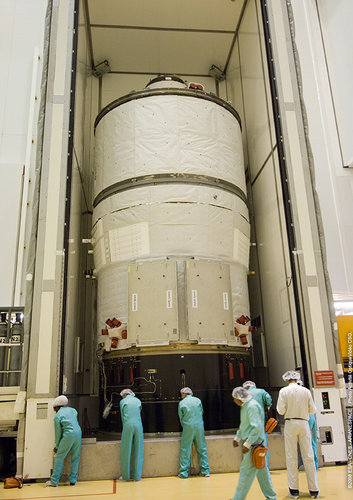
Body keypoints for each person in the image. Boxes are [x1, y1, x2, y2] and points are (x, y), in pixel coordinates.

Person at [276, 371, 319, 499]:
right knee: (309, 456)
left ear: (286, 380)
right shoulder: (305, 391)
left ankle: (294, 491)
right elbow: (313, 410)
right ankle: (314, 491)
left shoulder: (283, 391)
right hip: (304, 423)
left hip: (290, 423)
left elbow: (280, 410)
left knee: (291, 457)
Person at [231, 387, 276, 500]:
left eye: (234, 398)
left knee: (246, 473)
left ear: (240, 397)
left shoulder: (252, 406)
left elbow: (256, 428)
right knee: (263, 473)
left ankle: (238, 498)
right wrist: (237, 437)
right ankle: (271, 497)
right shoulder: (245, 406)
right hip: (253, 444)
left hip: (253, 445)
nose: (234, 401)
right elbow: (245, 425)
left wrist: (247, 443)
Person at [45, 395, 82, 487]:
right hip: (78, 433)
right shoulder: (73, 410)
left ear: (56, 407)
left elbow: (58, 433)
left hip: (68, 435)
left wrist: (57, 446)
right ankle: (73, 480)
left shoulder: (57, 416)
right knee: (75, 457)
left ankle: (54, 481)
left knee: (59, 457)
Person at [177, 387, 210, 478]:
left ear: (184, 394)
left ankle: (183, 473)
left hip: (188, 427)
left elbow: (181, 417)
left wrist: (185, 425)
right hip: (199, 426)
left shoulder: (182, 403)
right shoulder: (198, 401)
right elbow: (201, 412)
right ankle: (205, 471)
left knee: (185, 449)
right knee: (202, 448)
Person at [243, 380, 272, 467]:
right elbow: (268, 399)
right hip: (260, 423)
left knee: (248, 445)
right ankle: (264, 465)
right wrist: (268, 407)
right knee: (263, 445)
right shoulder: (261, 391)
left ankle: (251, 467)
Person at [119, 388, 144, 481]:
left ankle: (126, 476)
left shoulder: (123, 402)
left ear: (124, 395)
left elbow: (123, 415)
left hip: (128, 425)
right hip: (138, 425)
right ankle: (137, 476)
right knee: (139, 450)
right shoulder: (138, 401)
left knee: (126, 450)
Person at [297, 381, 318, 470]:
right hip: (311, 416)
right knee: (312, 441)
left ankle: (309, 465)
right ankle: (314, 464)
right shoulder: (306, 392)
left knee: (306, 442)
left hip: (305, 418)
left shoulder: (297, 394)